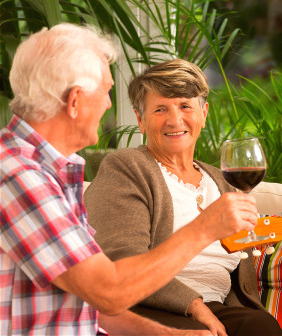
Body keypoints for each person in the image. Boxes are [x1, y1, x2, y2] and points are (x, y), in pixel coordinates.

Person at [0, 23, 257, 336]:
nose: (109, 104)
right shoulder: (19, 176)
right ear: (76, 101)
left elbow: (90, 304)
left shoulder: (51, 172)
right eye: (106, 91)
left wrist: (170, 335)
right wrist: (206, 227)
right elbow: (108, 291)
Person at [84, 59, 282, 336]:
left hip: (219, 308)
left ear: (203, 113)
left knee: (261, 327)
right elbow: (122, 265)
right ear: (140, 120)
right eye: (160, 109)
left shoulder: (222, 181)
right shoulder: (127, 168)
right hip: (152, 310)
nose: (175, 120)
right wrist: (194, 305)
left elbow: (241, 264)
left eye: (185, 106)